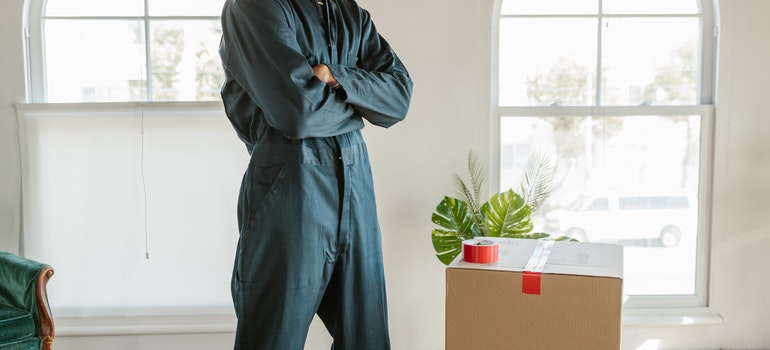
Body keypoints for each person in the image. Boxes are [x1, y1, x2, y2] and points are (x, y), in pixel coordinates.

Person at [218, 0, 413, 348]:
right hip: (290, 189)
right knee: (272, 338)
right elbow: (299, 114)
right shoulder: (254, 7)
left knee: (367, 340)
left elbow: (399, 98)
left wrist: (337, 76)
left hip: (356, 188)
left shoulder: (351, 14)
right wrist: (359, 110)